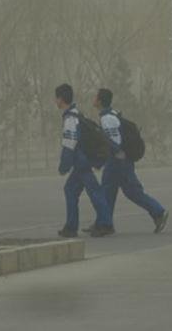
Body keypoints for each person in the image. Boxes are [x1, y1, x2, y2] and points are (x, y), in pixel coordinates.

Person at [94, 89, 169, 234]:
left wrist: (117, 153)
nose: (93, 99)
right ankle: (104, 223)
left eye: (95, 97)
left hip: (118, 161)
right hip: (116, 160)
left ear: (100, 101)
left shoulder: (107, 119)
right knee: (108, 191)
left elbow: (114, 140)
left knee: (132, 191)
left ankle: (158, 212)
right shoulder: (110, 115)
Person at [55, 84, 113, 238]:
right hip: (84, 160)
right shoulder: (76, 114)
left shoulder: (70, 118)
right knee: (72, 190)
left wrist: (63, 166)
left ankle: (104, 223)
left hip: (81, 162)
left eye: (56, 98)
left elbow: (69, 143)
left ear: (60, 99)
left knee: (93, 191)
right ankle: (72, 226)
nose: (56, 101)